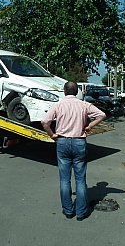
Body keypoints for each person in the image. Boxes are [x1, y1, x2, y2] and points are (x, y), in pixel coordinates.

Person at [41, 81, 106, 221]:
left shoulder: (58, 105)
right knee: (80, 179)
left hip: (62, 142)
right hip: (79, 142)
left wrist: (52, 135)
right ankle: (81, 212)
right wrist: (90, 126)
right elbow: (102, 115)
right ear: (77, 92)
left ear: (64, 91)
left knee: (64, 179)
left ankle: (68, 210)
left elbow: (45, 122)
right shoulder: (84, 105)